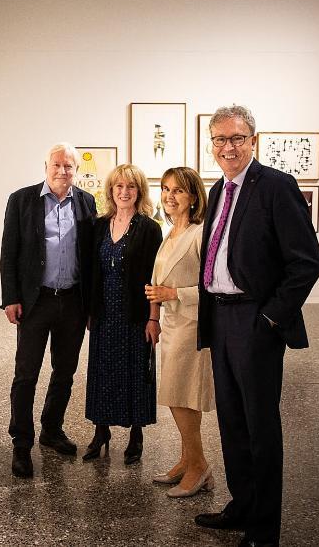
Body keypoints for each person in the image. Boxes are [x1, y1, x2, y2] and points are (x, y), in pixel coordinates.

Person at [193, 105, 319, 547]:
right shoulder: (218, 190)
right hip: (221, 316)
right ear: (211, 144)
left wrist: (270, 317)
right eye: (220, 140)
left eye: (237, 138)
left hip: (255, 320)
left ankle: (264, 530)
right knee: (231, 423)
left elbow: (306, 263)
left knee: (260, 428)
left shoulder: (276, 187)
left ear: (253, 140)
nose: (228, 147)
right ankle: (242, 506)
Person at [0, 142, 98, 479]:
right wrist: (10, 297)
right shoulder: (22, 200)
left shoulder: (86, 203)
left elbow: (90, 260)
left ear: (77, 170)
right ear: (46, 166)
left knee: (65, 371)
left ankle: (51, 430)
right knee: (26, 374)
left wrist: (91, 305)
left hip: (72, 301)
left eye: (69, 166)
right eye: (57, 165)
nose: (62, 171)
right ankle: (21, 443)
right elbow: (8, 252)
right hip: (35, 301)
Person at [82, 164, 162, 465]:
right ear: (111, 191)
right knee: (102, 372)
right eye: (119, 187)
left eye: (131, 187)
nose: (124, 192)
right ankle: (100, 432)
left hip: (135, 314)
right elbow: (92, 272)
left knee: (135, 372)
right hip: (104, 313)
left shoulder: (150, 228)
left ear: (139, 191)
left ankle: (136, 434)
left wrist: (153, 318)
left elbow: (156, 278)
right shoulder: (99, 226)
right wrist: (90, 310)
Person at [143, 166, 215, 498]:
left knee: (182, 395)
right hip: (171, 325)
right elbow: (158, 281)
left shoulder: (201, 234)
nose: (170, 196)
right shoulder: (168, 233)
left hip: (192, 324)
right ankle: (187, 460)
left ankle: (199, 466)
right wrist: (155, 316)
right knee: (176, 395)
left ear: (193, 197)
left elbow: (216, 287)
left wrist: (175, 295)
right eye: (166, 189)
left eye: (179, 191)